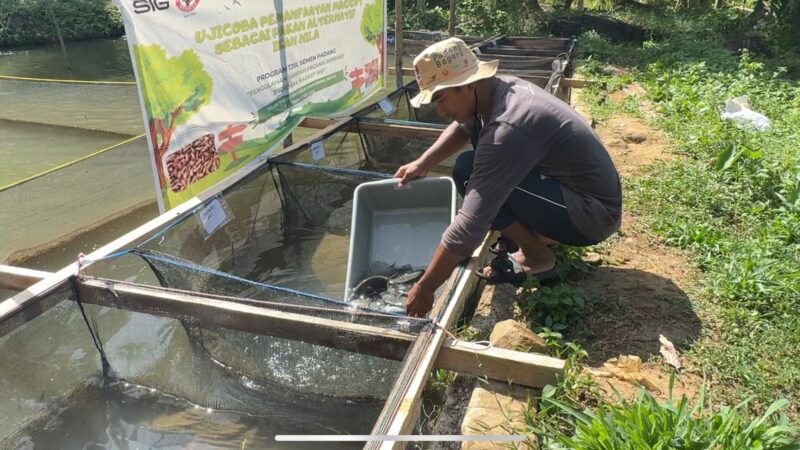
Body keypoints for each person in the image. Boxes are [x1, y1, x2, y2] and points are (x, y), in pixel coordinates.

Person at [395, 38, 622, 317]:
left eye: (441, 99)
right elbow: (464, 127)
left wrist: (425, 288)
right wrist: (423, 162)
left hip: (592, 216)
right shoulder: (499, 88)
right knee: (467, 166)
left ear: (469, 85)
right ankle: (530, 237)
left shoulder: (508, 125)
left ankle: (537, 255)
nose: (440, 111)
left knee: (474, 178)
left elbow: (470, 224)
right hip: (572, 194)